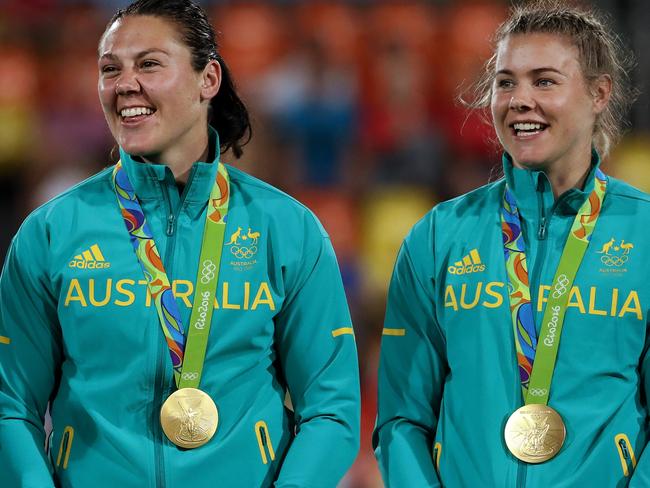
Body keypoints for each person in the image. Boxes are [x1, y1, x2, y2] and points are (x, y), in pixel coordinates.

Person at [0, 1, 360, 486]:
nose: (125, 83)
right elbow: (11, 405)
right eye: (110, 69)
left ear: (207, 80)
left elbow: (331, 408)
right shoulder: (52, 232)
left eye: (148, 63)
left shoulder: (286, 230)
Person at [374, 1, 650, 486]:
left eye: (544, 81)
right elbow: (401, 421)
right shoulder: (438, 237)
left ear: (599, 93)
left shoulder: (642, 233)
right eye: (506, 82)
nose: (519, 99)